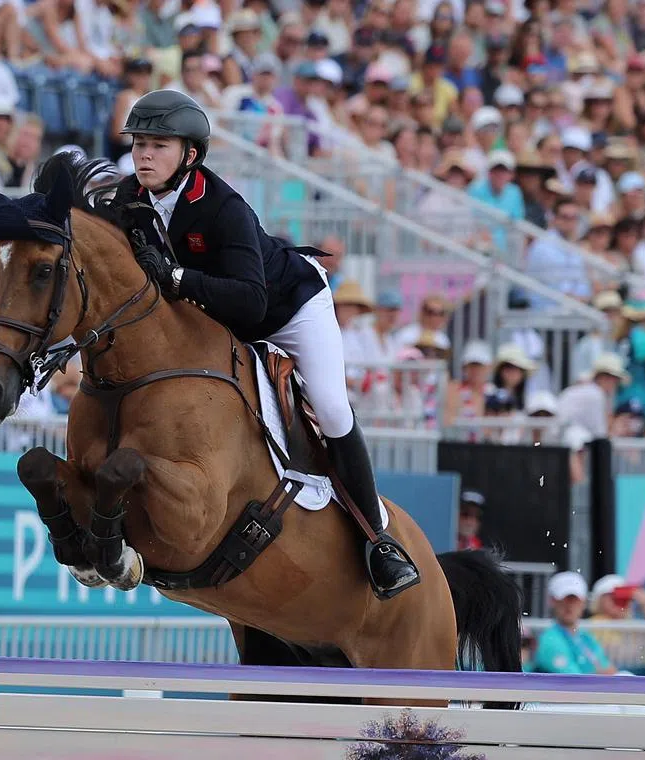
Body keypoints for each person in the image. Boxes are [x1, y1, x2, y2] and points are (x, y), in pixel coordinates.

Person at [112, 89, 419, 600]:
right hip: (214, 318)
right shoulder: (131, 200)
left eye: (158, 145)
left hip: (289, 311)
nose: (144, 154)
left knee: (331, 408)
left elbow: (252, 304)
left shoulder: (221, 207)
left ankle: (378, 542)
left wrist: (179, 277)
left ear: (190, 155)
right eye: (140, 143)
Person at [533, 571, 617, 675]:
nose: (569, 606)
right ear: (553, 601)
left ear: (583, 602)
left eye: (575, 600)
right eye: (564, 600)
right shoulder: (549, 640)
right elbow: (575, 681)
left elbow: (610, 671)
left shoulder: (586, 636)